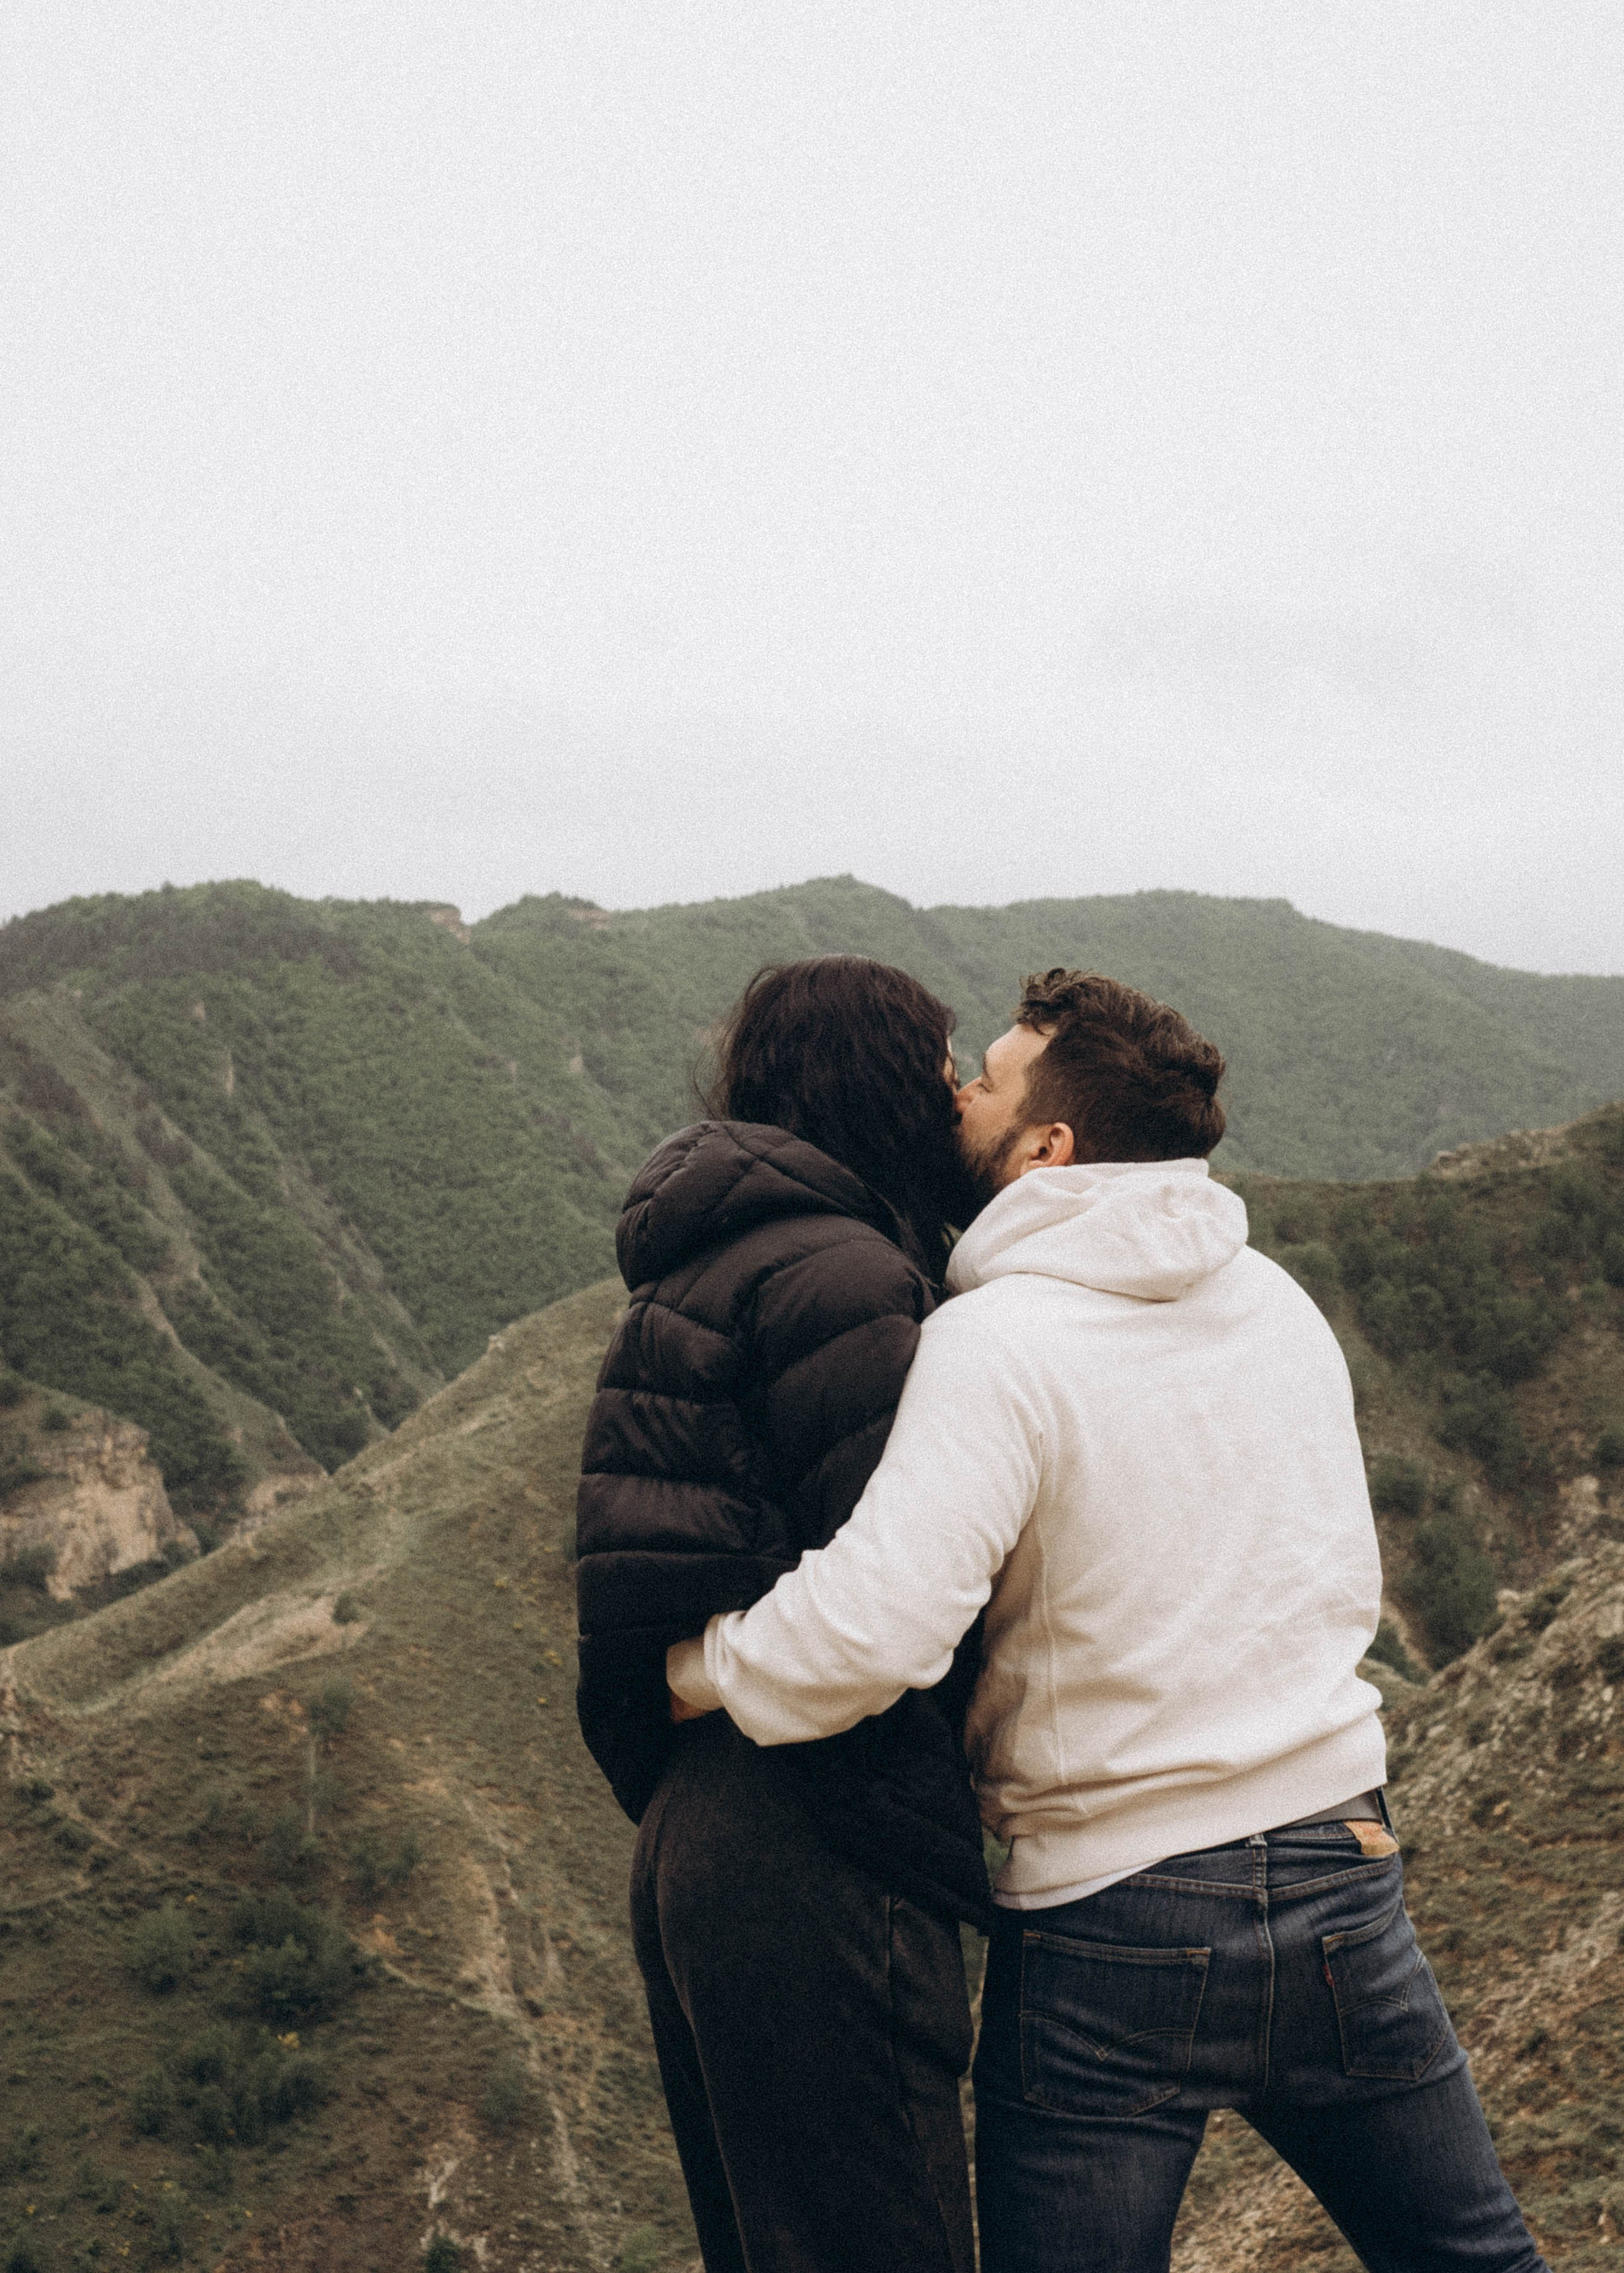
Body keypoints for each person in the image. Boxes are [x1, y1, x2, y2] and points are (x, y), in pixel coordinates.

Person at [668, 969, 1549, 2273]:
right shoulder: (1273, 1301)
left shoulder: (997, 1343)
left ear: (1048, 1149)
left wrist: (697, 1663)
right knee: (1474, 2259)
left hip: (1115, 1915)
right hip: (1337, 1870)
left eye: (993, 1082)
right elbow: (1330, 1580)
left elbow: (870, 1637)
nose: (958, 1093)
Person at [575, 955, 992, 2273]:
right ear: (875, 1073)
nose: (950, 1090)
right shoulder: (845, 1275)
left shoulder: (705, 1262)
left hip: (697, 1828)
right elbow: (887, 1592)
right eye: (935, 1059)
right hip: (811, 1835)